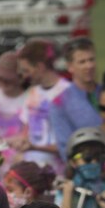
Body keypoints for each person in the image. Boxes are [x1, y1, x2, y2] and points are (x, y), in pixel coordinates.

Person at [15, 39, 70, 173]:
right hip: (33, 171)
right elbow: (26, 131)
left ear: (40, 67)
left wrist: (34, 147)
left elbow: (68, 143)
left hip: (58, 171)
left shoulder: (67, 92)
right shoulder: (32, 93)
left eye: (26, 70)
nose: (24, 76)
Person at [49, 37, 102, 161]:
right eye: (82, 62)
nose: (89, 66)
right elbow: (65, 146)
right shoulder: (60, 103)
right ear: (70, 66)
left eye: (91, 60)